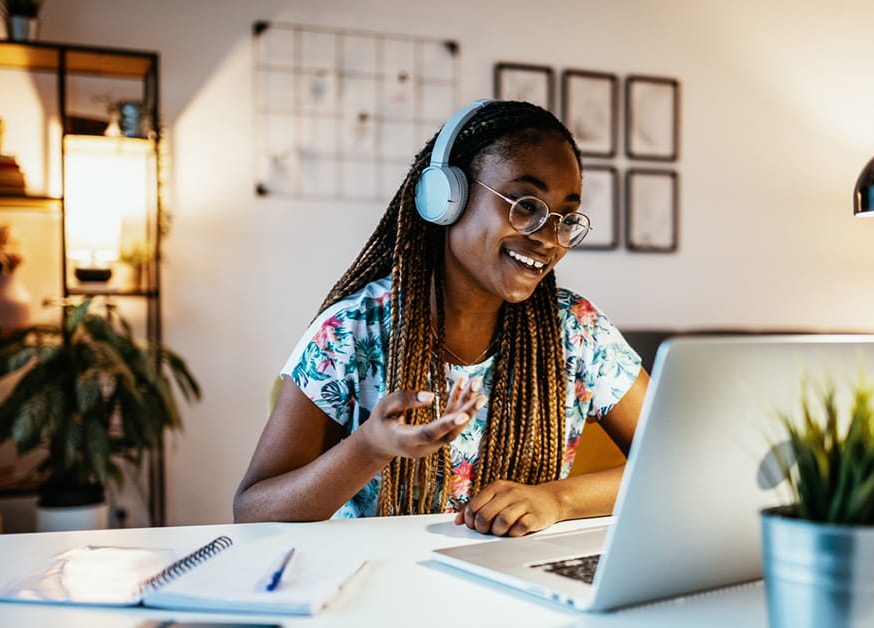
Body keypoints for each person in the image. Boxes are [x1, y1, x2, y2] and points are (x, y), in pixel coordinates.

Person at [234, 99, 650, 537]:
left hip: (517, 587)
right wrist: (370, 447)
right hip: (377, 586)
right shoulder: (350, 331)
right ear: (446, 198)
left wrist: (557, 499)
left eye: (565, 217)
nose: (549, 238)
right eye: (526, 205)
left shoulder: (576, 330)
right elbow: (252, 509)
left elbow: (684, 462)